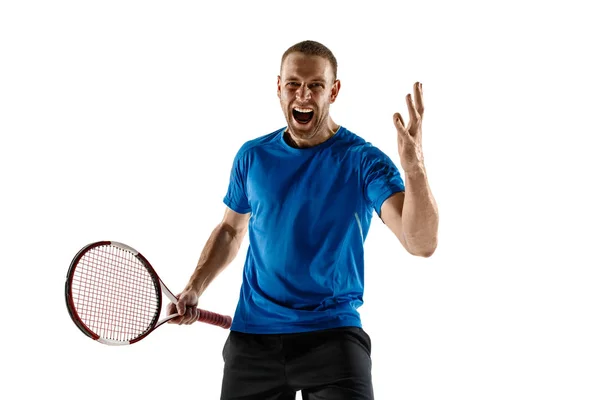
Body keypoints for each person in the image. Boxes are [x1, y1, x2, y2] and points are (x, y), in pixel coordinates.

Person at [167, 40, 439, 400]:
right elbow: (231, 230)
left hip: (333, 335)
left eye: (316, 85)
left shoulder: (363, 161)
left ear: (334, 91)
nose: (304, 96)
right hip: (254, 337)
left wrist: (414, 168)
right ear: (279, 87)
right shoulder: (253, 156)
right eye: (294, 84)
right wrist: (195, 286)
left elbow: (420, 242)